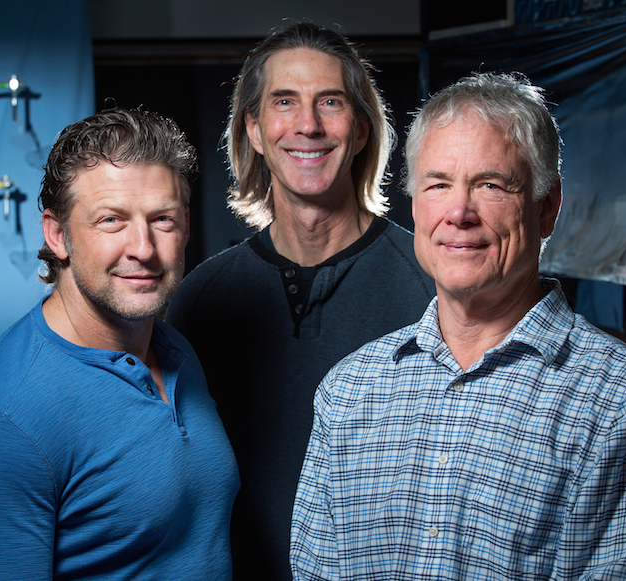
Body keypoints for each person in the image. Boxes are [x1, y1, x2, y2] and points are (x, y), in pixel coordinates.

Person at [290, 72, 626, 580]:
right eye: (438, 184)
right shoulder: (348, 391)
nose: (459, 212)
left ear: (547, 208)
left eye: (490, 185)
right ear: (415, 205)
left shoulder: (619, 400)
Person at [165, 21, 434, 579]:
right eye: (284, 101)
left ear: (360, 130)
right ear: (256, 130)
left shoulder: (431, 286)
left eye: (329, 102)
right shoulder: (200, 301)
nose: (307, 125)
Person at [0, 107, 239, 580]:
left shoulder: (176, 351)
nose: (144, 248)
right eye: (111, 220)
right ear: (57, 234)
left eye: (163, 219)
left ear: (187, 226)